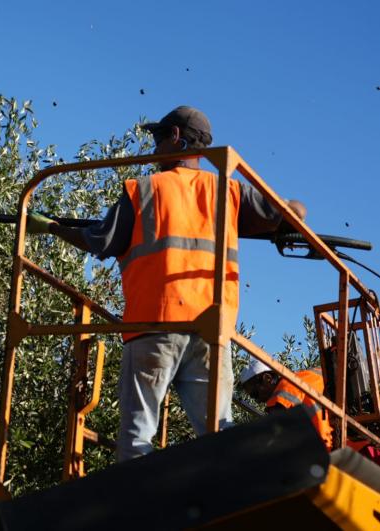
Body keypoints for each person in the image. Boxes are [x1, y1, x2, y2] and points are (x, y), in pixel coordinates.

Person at [27, 106, 307, 461]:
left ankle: (135, 511)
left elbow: (99, 241)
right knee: (219, 432)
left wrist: (51, 227)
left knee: (138, 434)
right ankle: (243, 496)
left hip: (153, 326)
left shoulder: (145, 190)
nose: (154, 147)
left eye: (158, 138)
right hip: (212, 330)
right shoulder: (229, 192)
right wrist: (274, 222)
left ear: (175, 137)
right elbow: (295, 211)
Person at [239, 358, 332, 449]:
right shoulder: (311, 374)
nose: (257, 401)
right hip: (342, 446)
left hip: (325, 451)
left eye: (255, 394)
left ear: (267, 378)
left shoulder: (281, 397)